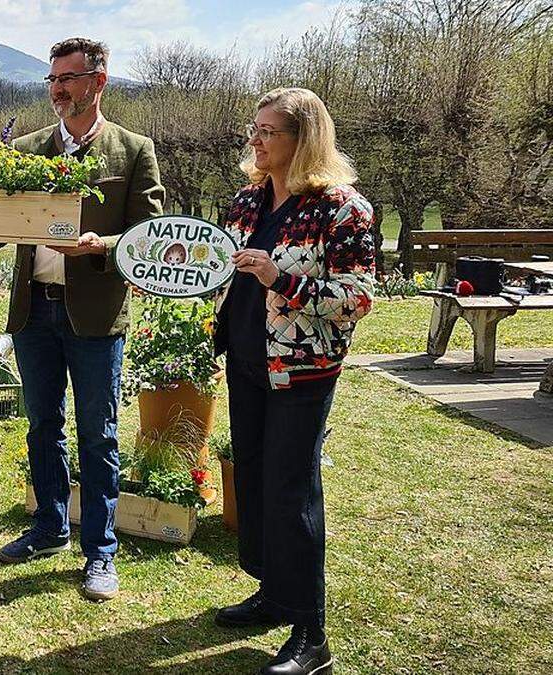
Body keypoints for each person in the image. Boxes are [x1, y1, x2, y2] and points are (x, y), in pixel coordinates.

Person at [0, 37, 163, 601]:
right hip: (33, 313)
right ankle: (50, 526)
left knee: (98, 433)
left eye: (69, 78)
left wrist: (99, 245)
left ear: (98, 82)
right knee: (41, 425)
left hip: (94, 317)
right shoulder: (27, 149)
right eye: (52, 79)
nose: (58, 88)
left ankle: (100, 550)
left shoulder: (133, 150)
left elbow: (147, 238)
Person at [211, 87, 375, 675]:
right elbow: (222, 269)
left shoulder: (341, 208)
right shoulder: (248, 199)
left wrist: (283, 278)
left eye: (267, 131)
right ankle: (273, 593)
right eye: (252, 129)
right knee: (252, 476)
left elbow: (357, 299)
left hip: (301, 370)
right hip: (247, 360)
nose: (254, 140)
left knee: (291, 488)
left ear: (303, 139)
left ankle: (312, 633)